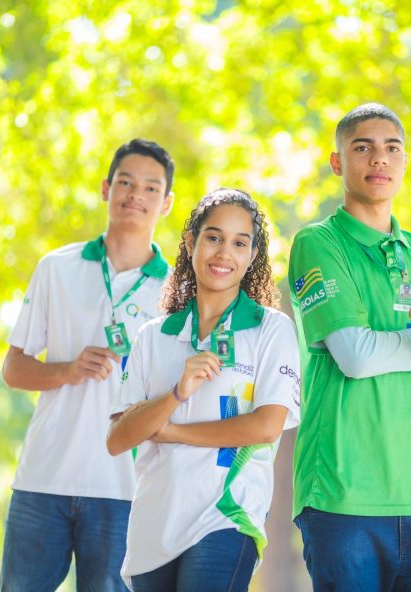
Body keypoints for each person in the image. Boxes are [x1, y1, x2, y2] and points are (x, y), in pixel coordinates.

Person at [288, 103, 411, 591]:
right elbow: (354, 356)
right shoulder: (319, 243)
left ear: (404, 162)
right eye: (363, 148)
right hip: (343, 497)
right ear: (337, 163)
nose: (380, 159)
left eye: (391, 148)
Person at [0, 139, 176, 591]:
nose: (136, 194)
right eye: (125, 182)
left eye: (151, 188)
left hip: (126, 490)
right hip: (43, 479)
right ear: (106, 188)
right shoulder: (56, 267)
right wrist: (65, 370)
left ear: (167, 203)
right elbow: (14, 368)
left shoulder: (177, 294)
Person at [107, 188, 300, 592]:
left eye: (239, 243)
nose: (224, 253)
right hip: (153, 526)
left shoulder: (271, 329)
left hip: (226, 516)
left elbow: (266, 426)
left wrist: (172, 431)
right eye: (213, 237)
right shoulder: (153, 336)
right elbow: (118, 437)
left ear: (252, 256)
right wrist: (176, 393)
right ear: (192, 242)